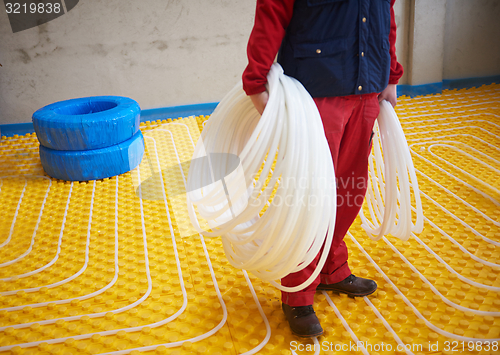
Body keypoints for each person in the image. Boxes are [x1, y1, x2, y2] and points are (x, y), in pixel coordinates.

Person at [242, 0, 403, 337]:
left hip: (367, 87)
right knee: (311, 199)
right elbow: (272, 12)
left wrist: (391, 73)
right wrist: (256, 80)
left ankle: (332, 268)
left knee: (350, 193)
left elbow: (385, 14)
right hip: (316, 90)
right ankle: (297, 292)